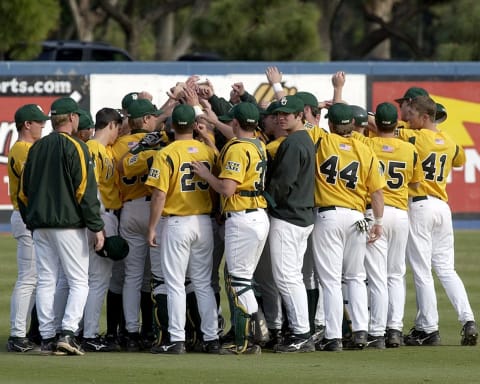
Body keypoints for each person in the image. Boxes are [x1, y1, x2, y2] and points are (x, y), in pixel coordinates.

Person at [18, 96, 105, 356]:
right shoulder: (77, 146)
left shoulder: (36, 147)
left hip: (40, 225)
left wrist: (30, 219)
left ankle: (46, 336)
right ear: (72, 118)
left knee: (46, 280)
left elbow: (23, 192)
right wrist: (96, 226)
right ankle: (67, 333)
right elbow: (84, 191)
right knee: (79, 281)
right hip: (68, 224)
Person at [395, 95, 478, 347]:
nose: (407, 117)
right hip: (442, 206)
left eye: (411, 113)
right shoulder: (449, 141)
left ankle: (428, 329)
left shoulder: (413, 137)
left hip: (420, 204)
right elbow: (460, 160)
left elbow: (386, 128)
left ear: (424, 116)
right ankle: (468, 319)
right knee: (446, 268)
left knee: (422, 270)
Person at [192, 102, 270, 355]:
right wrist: (213, 124)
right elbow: (234, 134)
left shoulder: (237, 149)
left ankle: (249, 334)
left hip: (242, 216)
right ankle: (252, 330)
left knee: (238, 281)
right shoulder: (258, 143)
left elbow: (227, 189)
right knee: (242, 279)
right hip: (258, 214)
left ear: (236, 123)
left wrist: (206, 175)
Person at [145, 104, 221, 354]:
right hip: (203, 221)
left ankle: (176, 339)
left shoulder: (166, 153)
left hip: (177, 222)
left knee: (175, 283)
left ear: (172, 126)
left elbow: (159, 194)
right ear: (193, 125)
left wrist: (152, 227)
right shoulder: (206, 151)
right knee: (203, 283)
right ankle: (211, 338)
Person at [311, 103, 385, 352]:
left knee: (331, 280)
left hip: (329, 215)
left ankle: (333, 337)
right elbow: (376, 192)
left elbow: (305, 123)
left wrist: (319, 107)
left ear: (330, 124)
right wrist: (378, 222)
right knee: (356, 276)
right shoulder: (364, 149)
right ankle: (361, 331)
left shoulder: (322, 140)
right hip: (357, 217)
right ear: (353, 126)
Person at [354, 102, 424, 348]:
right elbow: (416, 184)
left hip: (376, 213)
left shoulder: (366, 144)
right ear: (396, 124)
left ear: (375, 125)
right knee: (396, 274)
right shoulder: (409, 148)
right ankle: (394, 329)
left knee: (376, 276)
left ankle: (376, 331)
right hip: (401, 214)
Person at [265, 95, 316, 353]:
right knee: (292, 277)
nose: (282, 117)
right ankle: (301, 330)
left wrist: (267, 201)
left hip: (289, 216)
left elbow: (282, 183)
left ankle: (301, 333)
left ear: (301, 116)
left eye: (288, 114)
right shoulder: (302, 138)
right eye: (279, 114)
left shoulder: (294, 142)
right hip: (300, 215)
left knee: (287, 278)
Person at [111, 98, 162, 351]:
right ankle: (151, 330)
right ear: (144, 120)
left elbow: (120, 168)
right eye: (153, 116)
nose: (156, 119)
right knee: (153, 276)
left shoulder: (118, 144)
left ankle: (130, 331)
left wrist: (138, 147)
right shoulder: (161, 143)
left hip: (129, 209)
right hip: (154, 208)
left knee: (131, 276)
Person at [6, 104, 49, 353]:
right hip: (26, 216)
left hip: (30, 216)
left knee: (36, 278)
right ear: (26, 125)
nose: (43, 125)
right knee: (28, 279)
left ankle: (27, 333)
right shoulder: (23, 149)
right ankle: (17, 336)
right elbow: (33, 184)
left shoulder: (29, 147)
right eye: (39, 121)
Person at [81, 108, 124, 352]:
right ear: (110, 125)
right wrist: (98, 223)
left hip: (100, 217)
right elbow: (91, 189)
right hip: (100, 216)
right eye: (118, 127)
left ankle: (77, 329)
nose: (119, 132)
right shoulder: (92, 149)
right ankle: (89, 334)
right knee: (98, 279)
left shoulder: (100, 149)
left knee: (86, 278)